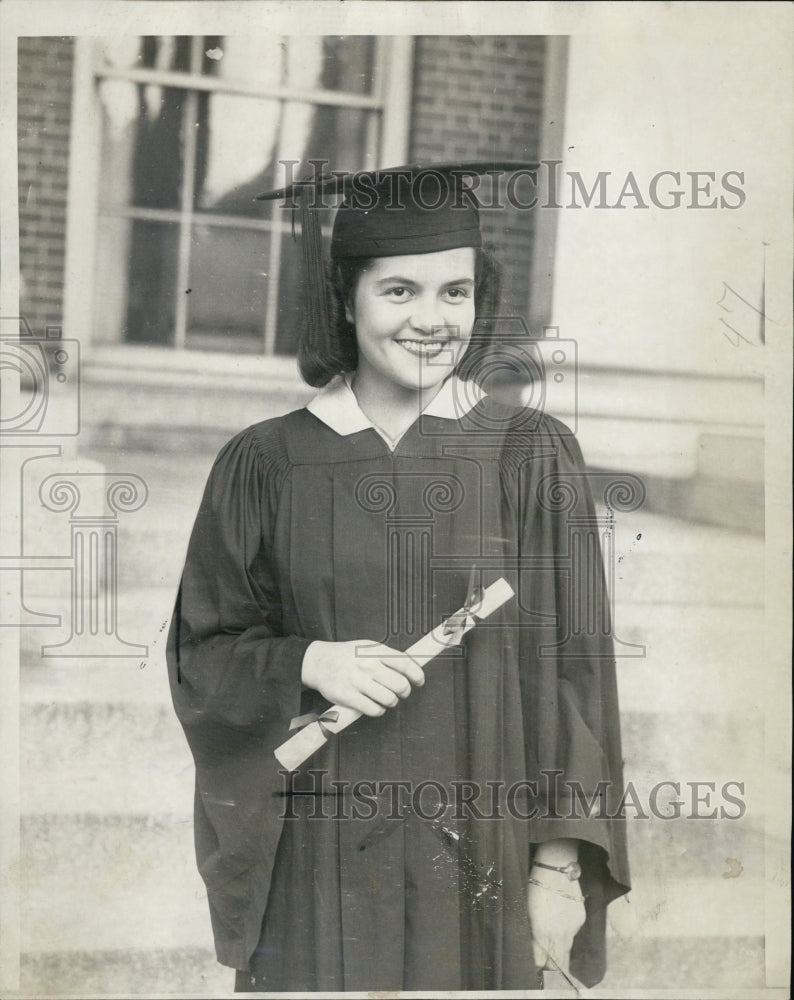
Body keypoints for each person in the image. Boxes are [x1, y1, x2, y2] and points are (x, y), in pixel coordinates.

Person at [166, 164, 630, 992]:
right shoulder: (265, 463)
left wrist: (558, 872)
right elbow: (205, 651)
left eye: (456, 293)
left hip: (481, 860)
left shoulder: (529, 455)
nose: (430, 320)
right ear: (346, 300)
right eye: (400, 292)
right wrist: (308, 661)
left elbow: (575, 679)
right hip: (318, 863)